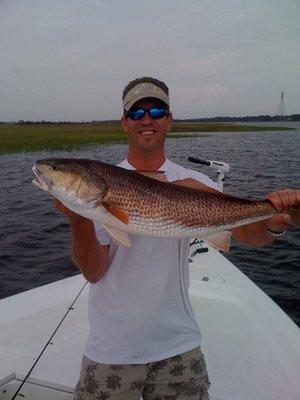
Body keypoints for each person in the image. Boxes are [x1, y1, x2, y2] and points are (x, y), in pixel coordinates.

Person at [55, 77, 299, 400]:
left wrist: (277, 221)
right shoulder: (104, 185)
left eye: (156, 110)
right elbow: (94, 272)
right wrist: (79, 219)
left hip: (179, 347)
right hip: (113, 350)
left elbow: (242, 232)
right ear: (124, 122)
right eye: (137, 112)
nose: (147, 119)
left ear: (169, 120)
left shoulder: (193, 183)